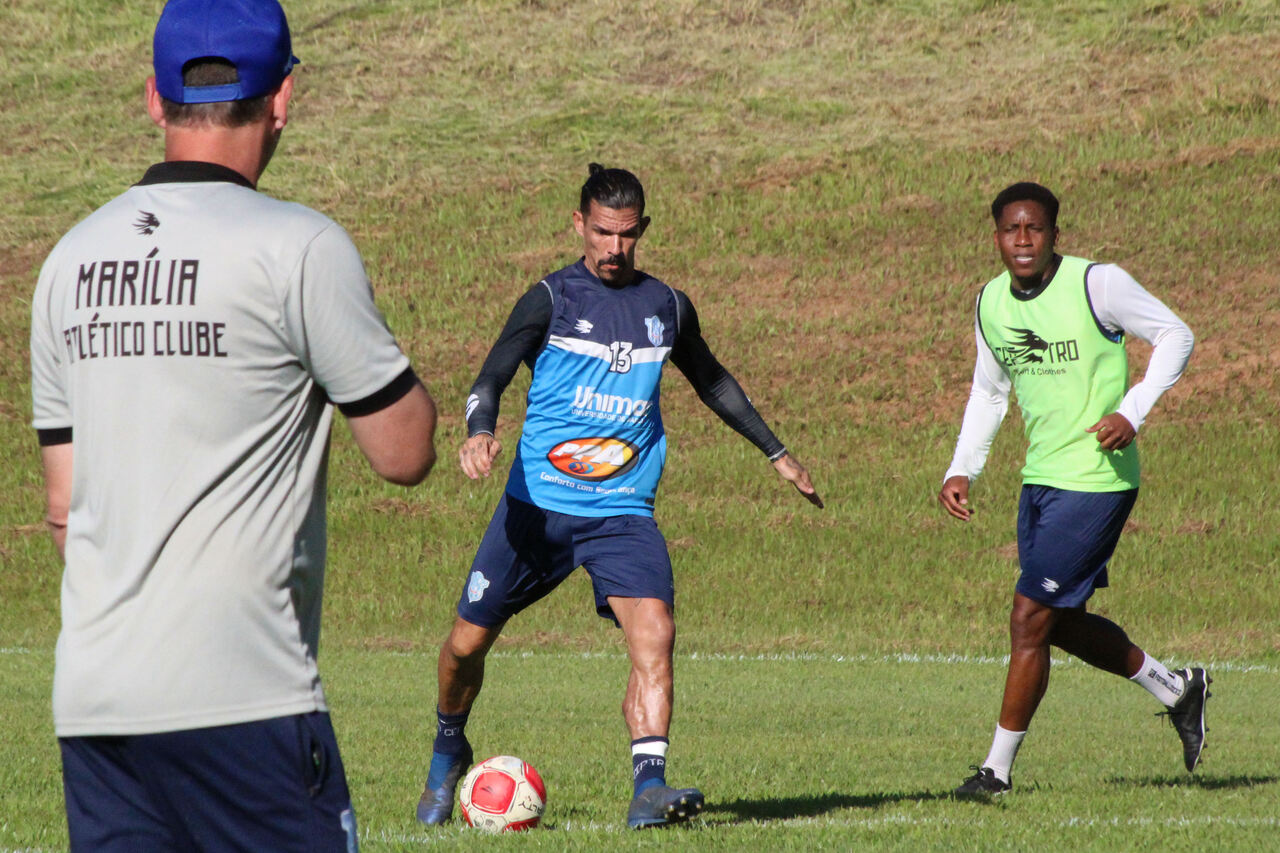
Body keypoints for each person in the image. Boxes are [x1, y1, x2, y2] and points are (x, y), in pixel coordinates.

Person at [29, 0, 438, 848]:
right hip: (244, 692)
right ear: (283, 97)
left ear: (154, 97)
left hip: (97, 700)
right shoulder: (299, 247)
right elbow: (404, 452)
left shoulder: (67, 261)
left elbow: (64, 507)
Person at [415, 163, 822, 829]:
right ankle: (446, 751)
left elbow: (713, 380)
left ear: (644, 232)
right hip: (536, 509)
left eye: (627, 235)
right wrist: (480, 431)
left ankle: (648, 788)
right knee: (464, 646)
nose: (614, 247)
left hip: (622, 512)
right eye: (602, 232)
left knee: (655, 633)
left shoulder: (667, 307)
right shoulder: (550, 297)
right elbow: (490, 374)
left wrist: (776, 452)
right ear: (580, 224)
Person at [938, 182, 1206, 797]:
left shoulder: (1097, 284)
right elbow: (990, 390)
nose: (1023, 240)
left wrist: (1133, 411)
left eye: (1035, 229)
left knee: (1028, 615)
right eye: (1012, 230)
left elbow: (1176, 335)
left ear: (1055, 233)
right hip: (1040, 481)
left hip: (1098, 479)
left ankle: (995, 773)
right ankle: (1177, 688)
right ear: (997, 237)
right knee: (1056, 622)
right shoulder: (991, 304)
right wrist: (963, 467)